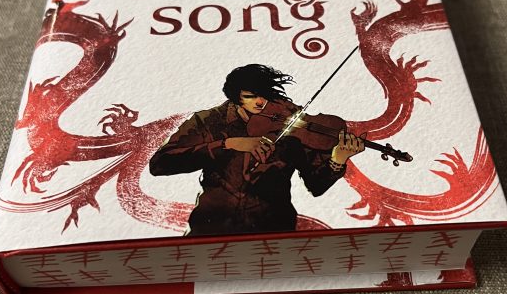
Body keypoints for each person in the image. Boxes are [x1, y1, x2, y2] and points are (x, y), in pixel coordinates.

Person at [149, 64, 364, 236]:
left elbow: (316, 186)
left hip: (272, 227)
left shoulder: (289, 121)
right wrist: (228, 144)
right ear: (236, 97)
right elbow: (160, 164)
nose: (260, 101)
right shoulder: (209, 121)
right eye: (250, 96)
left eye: (264, 94)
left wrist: (337, 160)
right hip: (213, 225)